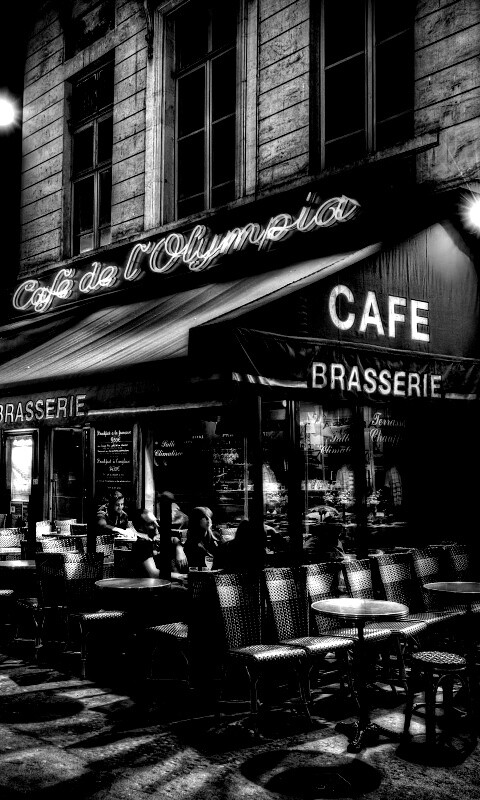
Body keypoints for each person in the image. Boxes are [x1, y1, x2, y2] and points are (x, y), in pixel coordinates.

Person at [132, 508, 188, 577]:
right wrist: (182, 577)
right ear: (140, 528)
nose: (157, 525)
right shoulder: (141, 544)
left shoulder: (155, 538)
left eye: (156, 521)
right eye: (151, 523)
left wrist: (179, 550)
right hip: (155, 582)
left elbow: (174, 539)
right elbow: (153, 573)